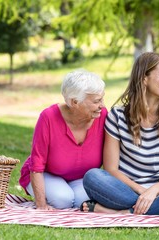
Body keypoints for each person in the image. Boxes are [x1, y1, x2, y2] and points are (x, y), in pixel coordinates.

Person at [81, 52, 159, 216]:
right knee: (92, 177)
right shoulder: (117, 116)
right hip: (125, 189)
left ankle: (123, 212)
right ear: (144, 78)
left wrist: (153, 191)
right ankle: (156, 208)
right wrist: (143, 191)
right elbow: (111, 169)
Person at [19, 69, 107, 209]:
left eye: (102, 98)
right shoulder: (48, 118)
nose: (102, 105)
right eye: (97, 101)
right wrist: (41, 204)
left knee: (81, 202)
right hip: (48, 175)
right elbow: (37, 164)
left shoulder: (102, 116)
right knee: (63, 200)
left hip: (81, 178)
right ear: (74, 102)